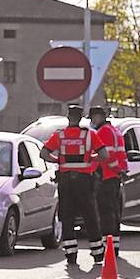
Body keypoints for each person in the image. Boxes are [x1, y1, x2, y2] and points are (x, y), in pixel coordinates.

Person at [41, 105, 106, 266]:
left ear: (68, 117)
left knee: (67, 216)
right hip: (84, 180)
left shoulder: (60, 135)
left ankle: (71, 254)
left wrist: (58, 160)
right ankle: (98, 253)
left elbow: (43, 153)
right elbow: (104, 155)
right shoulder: (90, 135)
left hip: (65, 181)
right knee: (90, 216)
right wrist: (90, 159)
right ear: (81, 118)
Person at [88, 106, 127, 256]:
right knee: (113, 213)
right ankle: (114, 245)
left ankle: (108, 246)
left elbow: (106, 156)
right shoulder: (115, 130)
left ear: (99, 117)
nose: (92, 121)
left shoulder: (103, 132)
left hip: (106, 176)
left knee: (105, 213)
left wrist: (89, 161)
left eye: (93, 118)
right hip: (115, 176)